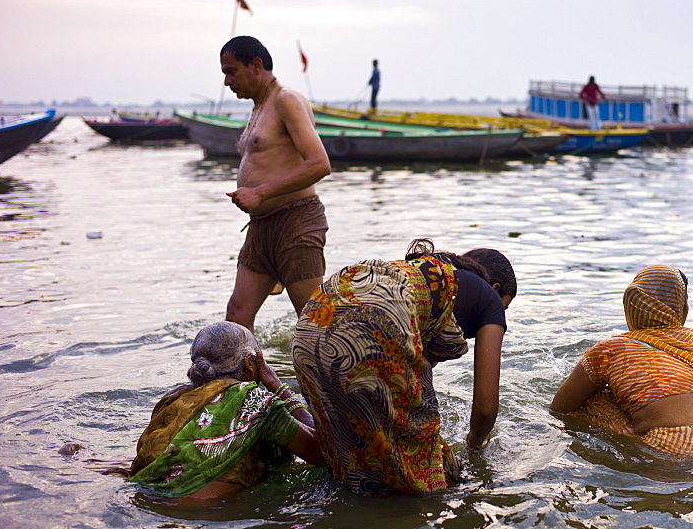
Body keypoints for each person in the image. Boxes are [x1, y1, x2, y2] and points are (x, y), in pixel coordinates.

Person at [291, 239, 517, 494]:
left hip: (312, 320)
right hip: (373, 328)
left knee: (347, 448)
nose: (502, 311)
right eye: (505, 305)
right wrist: (475, 445)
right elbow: (486, 407)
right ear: (496, 288)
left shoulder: (425, 276)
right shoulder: (489, 300)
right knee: (437, 478)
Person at [550, 265, 693, 456]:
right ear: (681, 308)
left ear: (631, 305)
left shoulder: (611, 349)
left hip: (674, 445)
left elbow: (559, 409)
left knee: (595, 399)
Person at [128, 321, 323, 500]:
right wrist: (279, 388)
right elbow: (325, 451)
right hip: (210, 512)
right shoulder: (256, 402)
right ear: (249, 362)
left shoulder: (175, 398)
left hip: (151, 497)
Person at [220, 36, 333, 332]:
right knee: (237, 313)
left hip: (296, 222)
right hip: (262, 227)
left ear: (256, 65)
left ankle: (329, 377)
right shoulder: (259, 106)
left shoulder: (286, 100)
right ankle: (242, 378)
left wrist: (258, 192)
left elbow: (320, 164)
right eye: (225, 74)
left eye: (232, 71)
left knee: (313, 320)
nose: (227, 81)